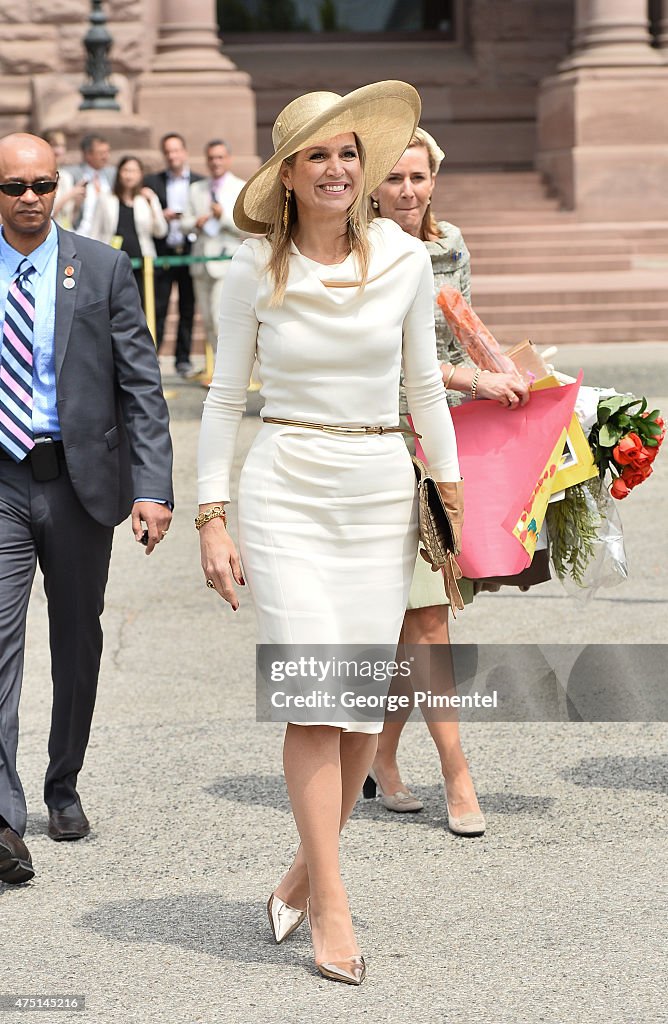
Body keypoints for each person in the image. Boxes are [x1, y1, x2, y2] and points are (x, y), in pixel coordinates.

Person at [197, 83, 462, 985]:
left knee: (357, 712)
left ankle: (307, 872)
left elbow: (425, 385)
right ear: (289, 174)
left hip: (381, 488)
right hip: (286, 489)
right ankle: (336, 907)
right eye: (320, 155)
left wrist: (453, 489)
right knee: (317, 695)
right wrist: (210, 515)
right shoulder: (248, 267)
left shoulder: (404, 259)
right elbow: (224, 400)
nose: (341, 169)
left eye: (351, 153)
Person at [0, 133, 173, 886]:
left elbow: (140, 384)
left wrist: (153, 486)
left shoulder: (100, 266)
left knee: (77, 641)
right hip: (2, 482)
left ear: (61, 186)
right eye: (14, 186)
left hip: (78, 483)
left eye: (43, 184)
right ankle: (4, 821)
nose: (30, 198)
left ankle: (61, 783)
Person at [365, 128, 529, 834]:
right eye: (395, 178)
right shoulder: (359, 253)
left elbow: (462, 325)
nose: (408, 190)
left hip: (443, 442)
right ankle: (458, 776)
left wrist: (510, 373)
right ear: (373, 186)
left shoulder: (449, 242)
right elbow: (400, 366)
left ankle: (381, 756)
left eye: (419, 177)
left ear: (435, 181)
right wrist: (475, 377)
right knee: (426, 617)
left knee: (416, 621)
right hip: (379, 443)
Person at [181, 139, 246, 379]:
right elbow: (184, 221)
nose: (215, 162)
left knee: (220, 320)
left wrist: (224, 217)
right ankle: (218, 371)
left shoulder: (240, 187)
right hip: (200, 262)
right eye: (211, 158)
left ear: (228, 159)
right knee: (208, 321)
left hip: (226, 262)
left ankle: (226, 374)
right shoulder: (196, 189)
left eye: (220, 157)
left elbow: (246, 226)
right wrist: (194, 223)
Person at [144, 133, 203, 377]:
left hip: (191, 251)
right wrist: (160, 213)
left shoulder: (200, 183)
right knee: (158, 306)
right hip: (163, 251)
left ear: (185, 152)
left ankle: (183, 359)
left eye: (176, 150)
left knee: (188, 308)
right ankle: (152, 359)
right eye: (167, 152)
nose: (172, 156)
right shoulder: (152, 182)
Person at [90, 155, 168, 300]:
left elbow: (160, 231)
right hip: (112, 263)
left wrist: (153, 204)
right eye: (125, 170)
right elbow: (95, 232)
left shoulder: (146, 199)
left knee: (144, 304)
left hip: (143, 263)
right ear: (119, 172)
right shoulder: (106, 199)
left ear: (140, 174)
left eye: (134, 171)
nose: (129, 175)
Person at [64, 133, 115, 238]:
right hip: (80, 235)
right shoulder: (71, 175)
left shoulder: (112, 174)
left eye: (107, 152)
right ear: (87, 154)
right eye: (101, 153)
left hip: (107, 238)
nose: (106, 157)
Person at [42, 130, 86, 230]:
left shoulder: (66, 177)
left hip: (66, 233)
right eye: (55, 145)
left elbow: (71, 219)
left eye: (62, 146)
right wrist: (70, 195)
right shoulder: (40, 177)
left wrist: (78, 203)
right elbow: (47, 215)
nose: (59, 151)